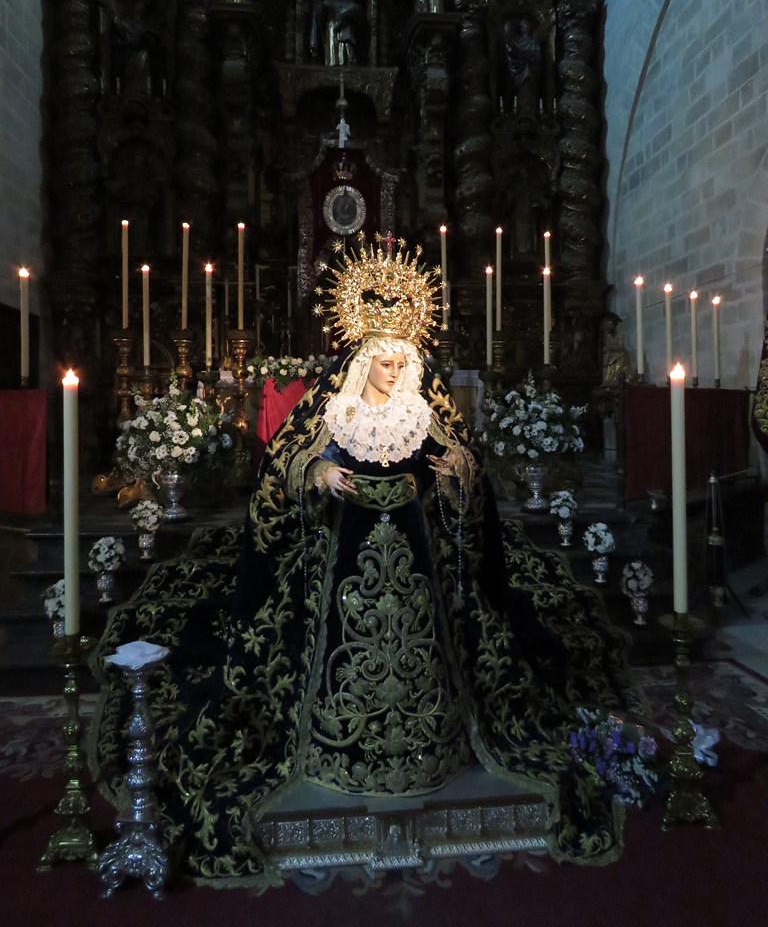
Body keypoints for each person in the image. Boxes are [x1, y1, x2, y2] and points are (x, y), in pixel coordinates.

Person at [91, 234, 645, 888]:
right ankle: (331, 738)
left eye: (398, 361)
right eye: (381, 360)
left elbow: (465, 460)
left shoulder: (423, 408)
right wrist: (317, 472)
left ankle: (431, 744)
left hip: (418, 561)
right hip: (342, 557)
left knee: (428, 641)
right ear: (362, 359)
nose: (390, 369)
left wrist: (457, 471)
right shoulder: (336, 407)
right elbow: (285, 462)